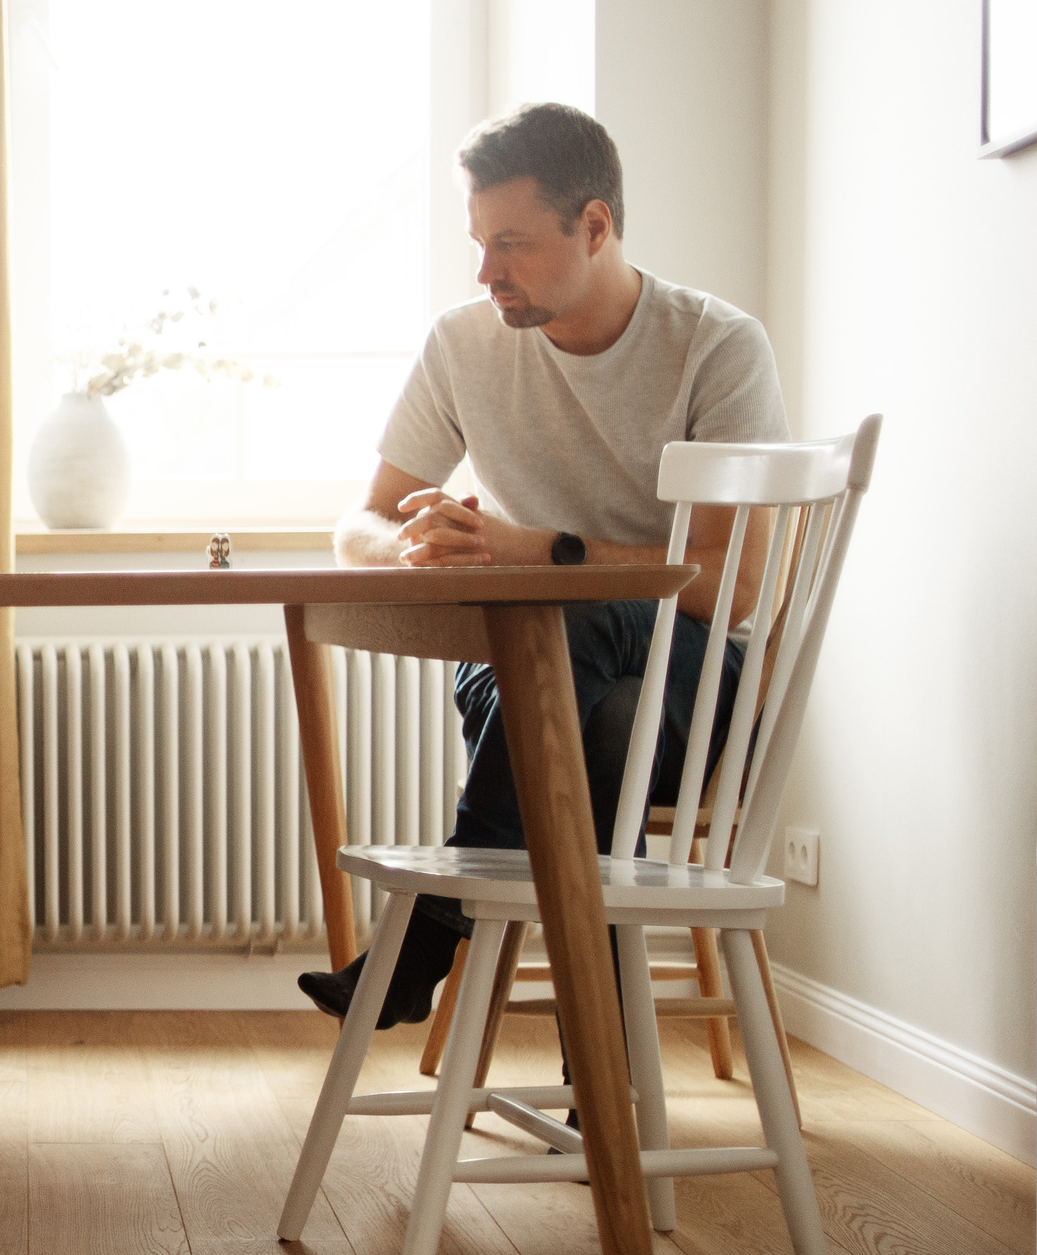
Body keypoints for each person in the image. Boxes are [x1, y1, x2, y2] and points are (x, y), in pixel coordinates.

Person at [301, 101, 788, 1030]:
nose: (486, 272)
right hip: (525, 676)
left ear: (595, 225)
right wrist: (414, 545)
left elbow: (735, 582)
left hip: (691, 678)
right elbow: (356, 520)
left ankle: (427, 934)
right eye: (479, 243)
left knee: (579, 635)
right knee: (592, 724)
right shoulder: (462, 344)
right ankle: (600, 1084)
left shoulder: (716, 346)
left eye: (512, 244)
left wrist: (547, 555)